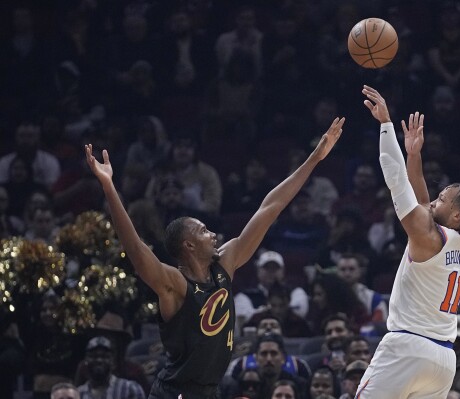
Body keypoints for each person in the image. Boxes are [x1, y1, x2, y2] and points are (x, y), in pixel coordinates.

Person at [85, 116, 344, 399]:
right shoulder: (175, 284)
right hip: (175, 393)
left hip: (209, 392)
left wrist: (314, 158)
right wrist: (109, 187)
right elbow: (135, 250)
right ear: (189, 245)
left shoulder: (225, 264)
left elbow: (270, 207)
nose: (213, 234)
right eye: (203, 231)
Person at [354, 86, 460, 398]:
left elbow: (395, 179)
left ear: (456, 216)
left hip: (407, 347)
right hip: (443, 359)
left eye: (442, 199)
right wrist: (414, 155)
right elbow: (421, 201)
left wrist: (385, 124)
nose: (434, 201)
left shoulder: (428, 236)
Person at [77, 336, 145, 399]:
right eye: (94, 356)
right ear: (85, 361)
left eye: (104, 356)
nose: (99, 360)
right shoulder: (78, 394)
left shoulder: (130, 389)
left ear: (113, 362)